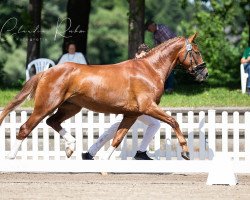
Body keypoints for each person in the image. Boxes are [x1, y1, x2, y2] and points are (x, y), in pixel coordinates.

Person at [82, 44, 161, 160]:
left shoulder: (145, 71)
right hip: (127, 106)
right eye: (141, 56)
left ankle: (141, 152)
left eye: (145, 57)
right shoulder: (130, 67)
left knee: (155, 124)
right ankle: (90, 153)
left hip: (138, 108)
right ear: (136, 55)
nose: (142, 59)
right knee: (112, 131)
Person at [145, 20, 176, 93]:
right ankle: (162, 87)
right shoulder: (155, 34)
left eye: (149, 29)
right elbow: (157, 46)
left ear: (152, 25)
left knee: (168, 67)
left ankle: (170, 88)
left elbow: (170, 42)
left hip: (173, 50)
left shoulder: (162, 29)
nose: (149, 31)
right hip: (166, 52)